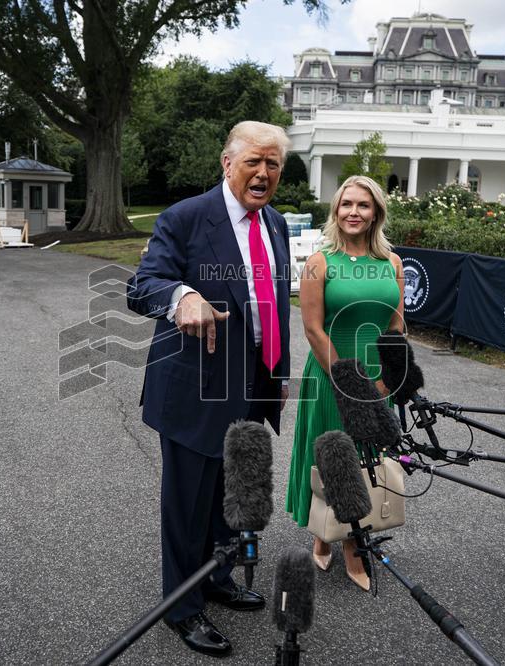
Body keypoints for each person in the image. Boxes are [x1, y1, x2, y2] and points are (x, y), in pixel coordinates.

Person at [126, 121, 292, 657]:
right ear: (227, 163)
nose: (264, 173)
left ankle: (216, 579)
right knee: (188, 505)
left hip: (250, 387)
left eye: (273, 164)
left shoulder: (278, 224)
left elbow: (272, 305)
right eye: (254, 162)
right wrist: (182, 297)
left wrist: (277, 371)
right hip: (195, 390)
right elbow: (142, 284)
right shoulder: (186, 217)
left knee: (227, 500)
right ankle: (182, 607)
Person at [285, 175, 405, 592]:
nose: (354, 212)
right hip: (333, 374)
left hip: (378, 380)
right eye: (346, 204)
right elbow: (313, 330)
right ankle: (328, 534)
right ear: (336, 211)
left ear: (376, 213)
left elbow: (397, 325)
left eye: (363, 205)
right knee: (333, 458)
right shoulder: (320, 262)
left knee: (368, 463)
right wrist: (348, 381)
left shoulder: (392, 263)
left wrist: (390, 376)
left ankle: (354, 541)